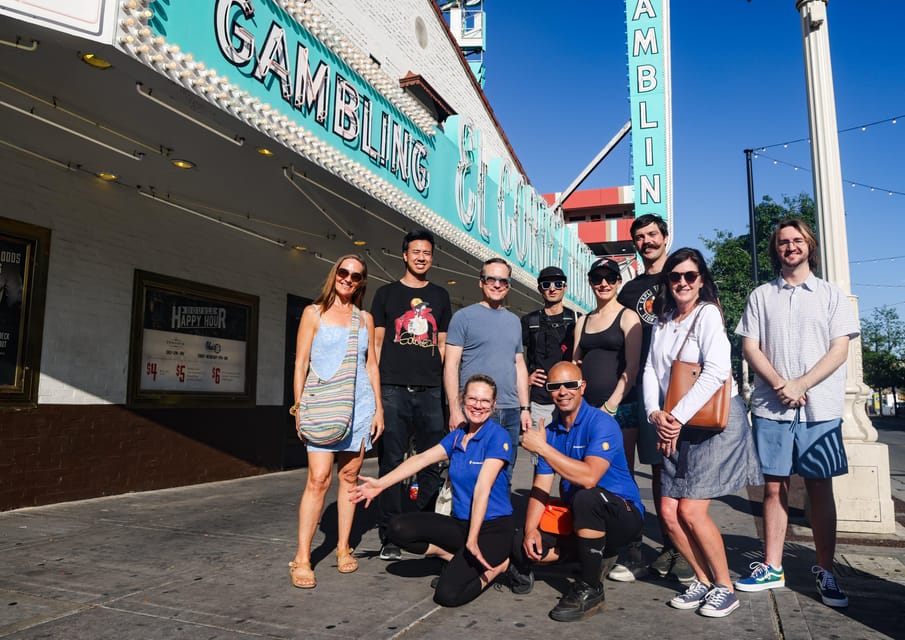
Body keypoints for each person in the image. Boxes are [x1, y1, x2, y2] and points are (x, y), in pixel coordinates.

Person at [735, 219, 859, 608]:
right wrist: (779, 384)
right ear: (776, 249)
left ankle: (825, 569)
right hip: (772, 407)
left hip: (819, 408)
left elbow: (840, 349)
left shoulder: (830, 295)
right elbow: (751, 347)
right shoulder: (761, 295)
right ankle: (772, 565)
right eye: (783, 242)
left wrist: (801, 384)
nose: (790, 246)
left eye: (797, 240)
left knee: (820, 488)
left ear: (809, 245)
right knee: (774, 487)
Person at [643, 247, 762, 617]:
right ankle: (703, 581)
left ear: (701, 281)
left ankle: (725, 587)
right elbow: (650, 370)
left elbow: (715, 372)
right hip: (675, 424)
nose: (682, 282)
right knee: (667, 511)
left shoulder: (708, 314)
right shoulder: (662, 320)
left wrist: (674, 417)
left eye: (690, 276)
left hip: (710, 426)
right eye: (675, 276)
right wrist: (654, 413)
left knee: (691, 511)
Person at [350, 374, 514, 607]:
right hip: (461, 525)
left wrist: (473, 539)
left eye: (485, 401)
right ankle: (452, 556)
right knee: (397, 529)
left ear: (494, 405)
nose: (478, 405)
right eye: (472, 398)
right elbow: (422, 459)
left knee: (447, 595)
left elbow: (482, 489)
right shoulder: (458, 436)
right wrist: (380, 484)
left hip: (492, 529)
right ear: (462, 400)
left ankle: (498, 567)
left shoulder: (498, 437)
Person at [513, 361, 644, 622]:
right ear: (549, 391)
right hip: (582, 519)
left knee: (587, 497)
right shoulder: (550, 432)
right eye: (555, 386)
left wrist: (543, 449)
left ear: (582, 387)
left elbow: (589, 477)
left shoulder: (601, 423)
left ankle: (591, 586)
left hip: (622, 515)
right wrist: (530, 530)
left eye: (570, 385)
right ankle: (593, 557)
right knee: (520, 545)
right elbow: (540, 486)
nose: (563, 392)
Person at [288, 254, 384, 589]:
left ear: (361, 283)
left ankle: (343, 546)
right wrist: (298, 407)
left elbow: (371, 365)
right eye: (343, 272)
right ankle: (302, 556)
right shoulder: (313, 313)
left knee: (350, 476)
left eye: (356, 276)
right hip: (322, 404)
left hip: (359, 406)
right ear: (335, 275)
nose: (348, 279)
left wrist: (379, 409)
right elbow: (300, 362)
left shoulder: (365, 319)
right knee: (318, 479)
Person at [614, 214, 692, 582]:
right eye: (640, 237)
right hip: (638, 392)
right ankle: (644, 545)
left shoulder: (681, 277)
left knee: (673, 472)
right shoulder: (628, 291)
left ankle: (677, 546)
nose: (647, 241)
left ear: (665, 237)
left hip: (677, 390)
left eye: (652, 235)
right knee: (640, 471)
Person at [371, 230, 452, 561]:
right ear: (404, 255)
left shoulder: (441, 296)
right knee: (391, 462)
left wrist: (444, 388)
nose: (422, 257)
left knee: (433, 462)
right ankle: (390, 532)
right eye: (416, 251)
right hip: (392, 390)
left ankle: (420, 522)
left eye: (427, 253)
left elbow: (444, 345)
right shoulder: (386, 294)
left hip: (431, 391)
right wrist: (375, 395)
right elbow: (375, 345)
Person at [444, 257, 531, 482]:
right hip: (475, 410)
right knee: (468, 473)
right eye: (490, 278)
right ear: (480, 282)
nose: (497, 284)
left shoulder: (514, 321)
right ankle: (466, 518)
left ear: (509, 285)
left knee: (505, 475)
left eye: (503, 280)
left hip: (510, 410)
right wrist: (455, 408)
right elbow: (451, 365)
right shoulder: (463, 317)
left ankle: (499, 518)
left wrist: (525, 408)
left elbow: (519, 365)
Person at [521, 265, 578, 430]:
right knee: (540, 453)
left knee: (571, 452)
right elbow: (512, 356)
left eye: (558, 284)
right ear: (540, 289)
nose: (552, 288)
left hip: (571, 398)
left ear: (564, 288)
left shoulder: (577, 320)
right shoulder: (529, 321)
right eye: (546, 285)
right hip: (541, 401)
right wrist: (526, 379)